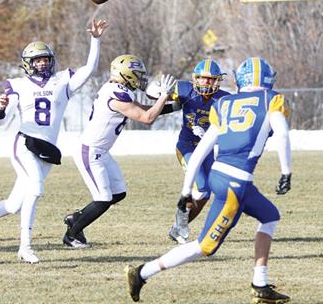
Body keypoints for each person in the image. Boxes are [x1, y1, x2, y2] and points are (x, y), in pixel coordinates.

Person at [125, 57, 292, 303]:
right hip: (236, 183)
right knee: (204, 247)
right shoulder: (272, 99)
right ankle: (142, 273)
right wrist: (286, 170)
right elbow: (283, 133)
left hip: (223, 176)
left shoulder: (224, 103)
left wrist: (185, 191)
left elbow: (202, 150)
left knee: (270, 217)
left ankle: (260, 282)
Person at [0, 19, 109, 263]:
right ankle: (25, 247)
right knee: (36, 189)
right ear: (27, 64)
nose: (42, 63)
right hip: (24, 145)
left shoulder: (62, 81)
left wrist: (95, 39)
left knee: (14, 205)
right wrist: (0, 107)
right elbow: (1, 121)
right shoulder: (16, 84)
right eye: (37, 60)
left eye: (46, 59)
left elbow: (89, 69)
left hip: (47, 150)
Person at [61, 55, 176, 248]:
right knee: (103, 199)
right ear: (126, 74)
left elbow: (145, 109)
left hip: (101, 151)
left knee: (118, 193)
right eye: (137, 74)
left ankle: (76, 218)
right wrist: (163, 96)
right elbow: (147, 117)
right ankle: (71, 236)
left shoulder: (118, 90)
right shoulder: (116, 93)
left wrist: (176, 106)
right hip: (90, 151)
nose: (140, 78)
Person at [161, 58, 231, 244]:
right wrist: (159, 93)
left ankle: (178, 228)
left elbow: (229, 131)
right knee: (200, 189)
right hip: (187, 145)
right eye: (202, 78)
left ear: (217, 80)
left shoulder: (224, 99)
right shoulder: (185, 90)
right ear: (195, 78)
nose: (206, 82)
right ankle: (179, 226)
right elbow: (157, 97)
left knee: (206, 194)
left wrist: (209, 133)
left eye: (210, 79)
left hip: (206, 148)